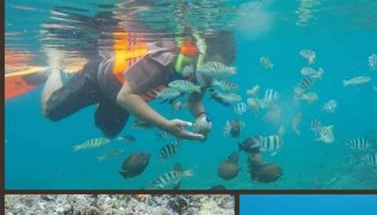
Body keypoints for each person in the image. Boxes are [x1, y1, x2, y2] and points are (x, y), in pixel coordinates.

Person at [40, 30, 236, 140]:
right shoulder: (165, 61)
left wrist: (202, 116)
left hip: (122, 96)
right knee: (50, 112)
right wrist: (166, 125)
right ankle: (54, 68)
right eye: (211, 68)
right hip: (98, 78)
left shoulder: (202, 74)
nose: (212, 75)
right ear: (199, 56)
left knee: (108, 132)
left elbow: (195, 101)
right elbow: (126, 97)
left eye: (219, 71)